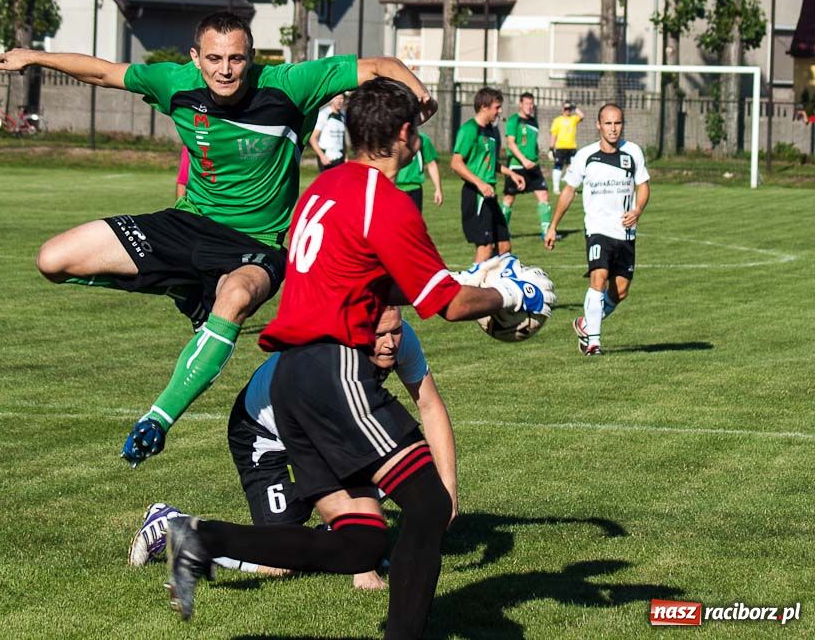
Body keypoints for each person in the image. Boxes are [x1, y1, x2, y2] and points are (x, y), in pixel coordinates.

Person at [161, 77, 554, 639]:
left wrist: (464, 279)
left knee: (360, 541)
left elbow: (365, 283)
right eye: (415, 128)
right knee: (425, 505)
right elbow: (445, 305)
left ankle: (199, 538)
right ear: (402, 134)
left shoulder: (325, 187)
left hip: (289, 378)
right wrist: (512, 293)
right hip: (334, 368)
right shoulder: (384, 202)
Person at [0, 12, 437, 465]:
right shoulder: (175, 82)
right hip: (188, 226)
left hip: (257, 244)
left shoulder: (290, 83)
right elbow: (104, 71)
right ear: (195, 58)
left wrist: (418, 93)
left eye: (237, 58)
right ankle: (183, 286)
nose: (226, 69)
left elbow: (380, 64)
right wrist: (34, 57)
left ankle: (157, 420)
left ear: (252, 57)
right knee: (53, 259)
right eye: (215, 58)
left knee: (237, 295)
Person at [129, 306, 455, 592]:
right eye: (379, 334)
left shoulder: (402, 340)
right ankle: (172, 525)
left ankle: (338, 529)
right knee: (282, 561)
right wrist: (363, 567)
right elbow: (352, 454)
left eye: (396, 330)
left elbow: (430, 406)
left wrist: (447, 493)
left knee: (398, 463)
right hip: (259, 432)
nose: (391, 342)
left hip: (309, 426)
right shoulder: (332, 363)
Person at [543, 103, 650, 356]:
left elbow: (643, 186)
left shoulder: (632, 152)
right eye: (608, 123)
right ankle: (594, 343)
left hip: (625, 232)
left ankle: (585, 324)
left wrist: (637, 210)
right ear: (598, 125)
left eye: (618, 123)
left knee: (620, 291)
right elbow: (569, 191)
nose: (613, 129)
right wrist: (553, 226)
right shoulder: (585, 156)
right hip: (597, 229)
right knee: (599, 278)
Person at [450, 87, 525, 270]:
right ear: (484, 106)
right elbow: (456, 163)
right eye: (497, 107)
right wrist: (480, 183)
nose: (500, 111)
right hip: (476, 195)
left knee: (504, 246)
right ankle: (470, 288)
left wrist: (512, 173)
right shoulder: (469, 129)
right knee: (485, 247)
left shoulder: (491, 131)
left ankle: (500, 289)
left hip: (489, 195)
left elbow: (491, 162)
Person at [501, 92, 553, 237]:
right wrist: (523, 160)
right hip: (517, 166)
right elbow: (510, 143)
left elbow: (532, 142)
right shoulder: (514, 121)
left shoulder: (534, 122)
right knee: (509, 199)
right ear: (520, 104)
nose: (530, 107)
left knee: (543, 195)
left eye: (532, 104)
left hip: (533, 166)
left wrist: (535, 155)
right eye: (527, 104)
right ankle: (502, 232)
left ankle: (546, 232)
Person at [394, 130, 444, 210]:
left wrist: (438, 189)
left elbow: (431, 164)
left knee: (414, 221)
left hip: (415, 189)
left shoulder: (422, 139)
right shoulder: (391, 139)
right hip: (395, 188)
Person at [549, 100, 585, 195]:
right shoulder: (557, 120)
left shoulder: (573, 119)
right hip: (560, 147)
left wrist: (575, 107)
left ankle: (571, 189)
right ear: (562, 109)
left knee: (572, 169)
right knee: (558, 167)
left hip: (571, 147)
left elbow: (582, 116)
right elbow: (553, 134)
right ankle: (556, 188)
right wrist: (551, 148)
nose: (567, 110)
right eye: (566, 108)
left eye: (569, 109)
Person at [309, 93, 347, 171]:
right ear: (331, 99)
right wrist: (322, 156)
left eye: (341, 98)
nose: (339, 101)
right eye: (337, 98)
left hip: (340, 158)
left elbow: (342, 139)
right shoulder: (324, 114)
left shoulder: (342, 116)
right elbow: (313, 138)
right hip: (328, 158)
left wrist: (345, 156)